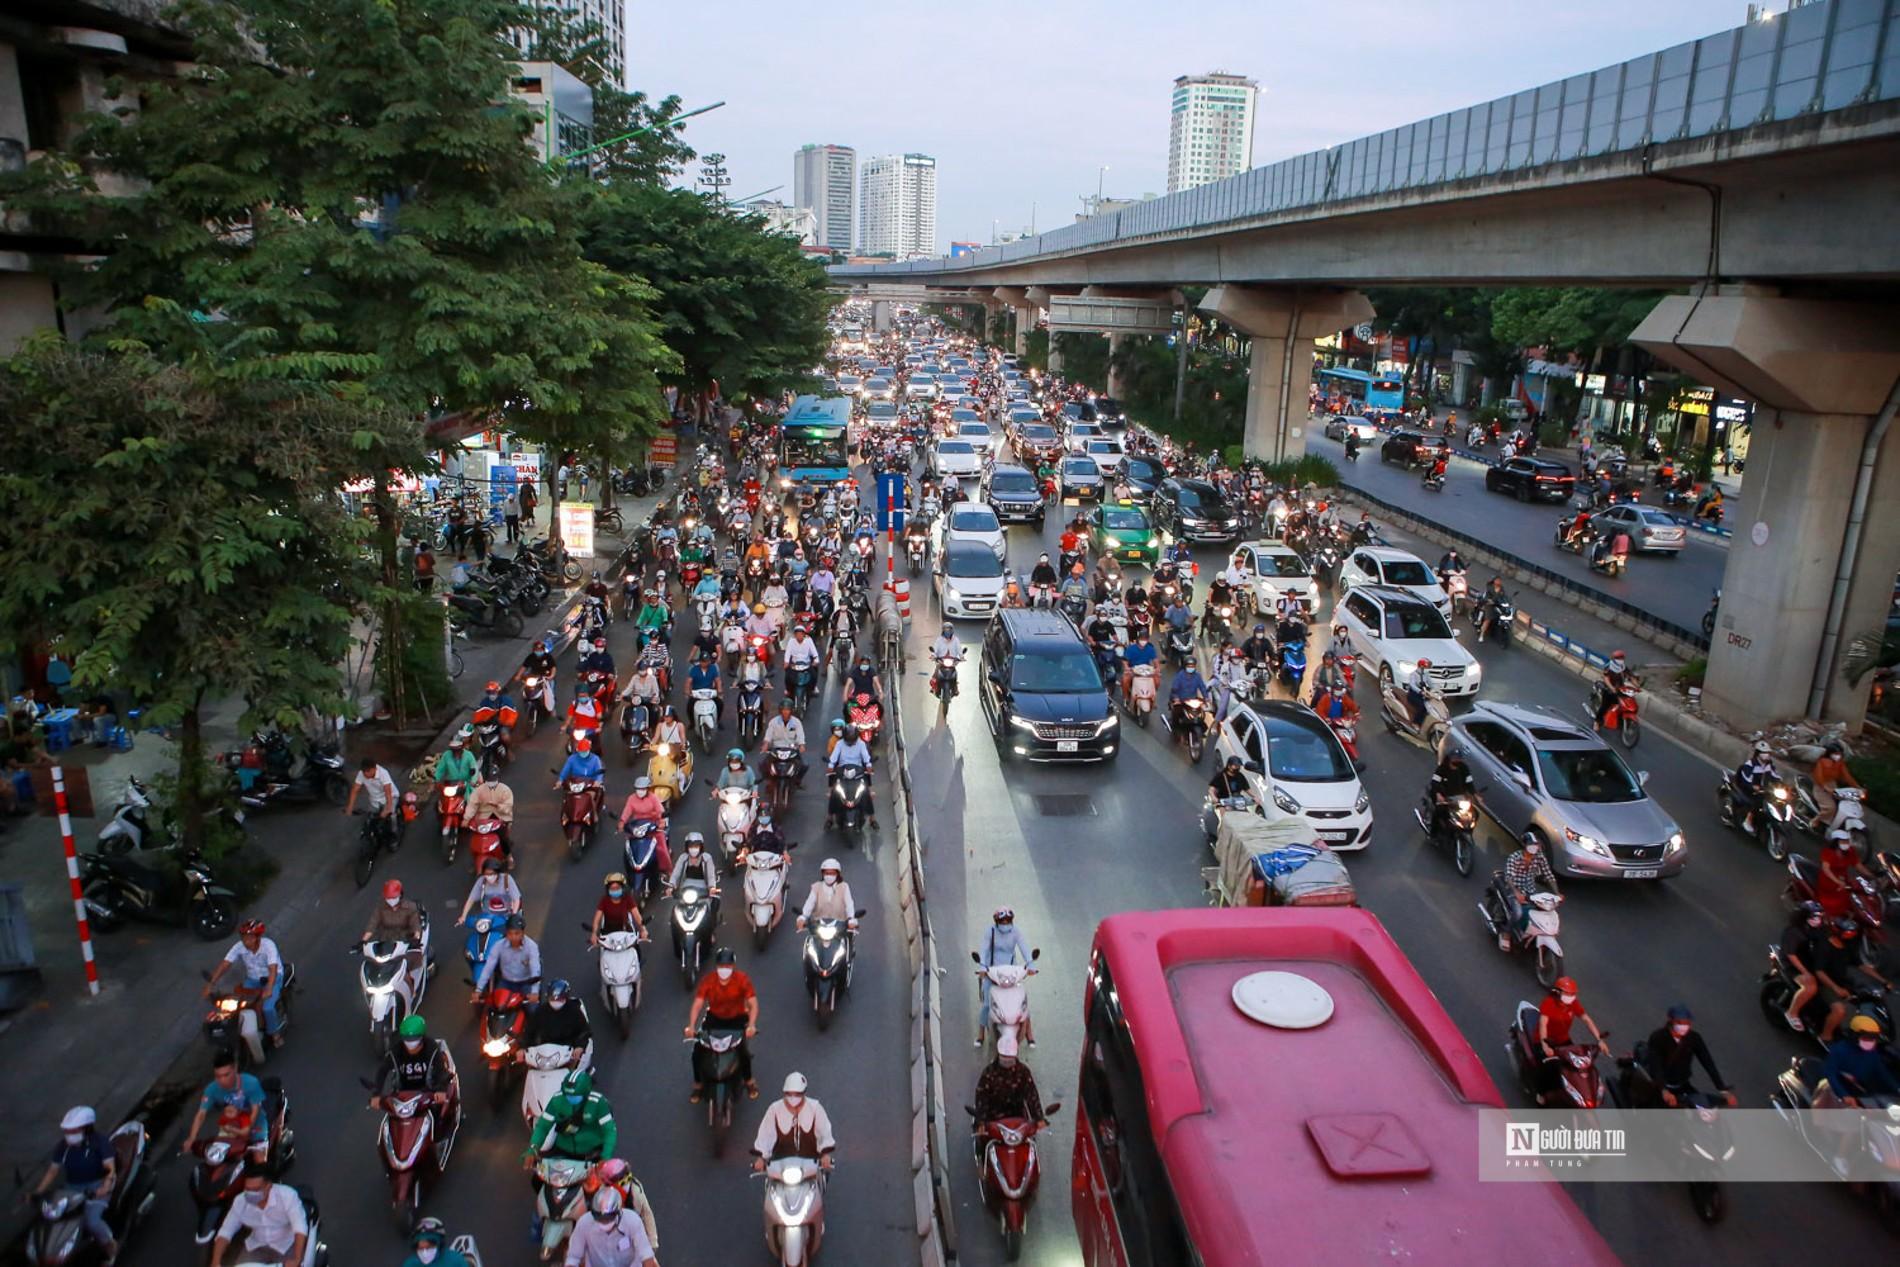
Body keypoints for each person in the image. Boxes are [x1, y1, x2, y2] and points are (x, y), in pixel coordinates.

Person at [29, 1105, 119, 1262]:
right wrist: (37, 1192)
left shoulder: (100, 1142)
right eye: (67, 1132)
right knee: (53, 1218)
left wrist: (105, 1187)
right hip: (70, 1189)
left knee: (92, 1222)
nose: (69, 1135)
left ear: (87, 1129)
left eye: (73, 1131)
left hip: (95, 1187)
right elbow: (52, 1171)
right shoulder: (63, 1147)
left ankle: (110, 1246)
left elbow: (110, 1169)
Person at [685, 948, 760, 1102]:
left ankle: (749, 1081)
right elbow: (698, 1005)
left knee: (743, 1052)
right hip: (714, 1018)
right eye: (721, 966)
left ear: (733, 967)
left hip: (737, 1018)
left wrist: (751, 1025)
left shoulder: (742, 980)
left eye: (728, 966)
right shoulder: (708, 981)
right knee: (697, 1052)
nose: (724, 969)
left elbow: (753, 1004)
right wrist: (691, 1027)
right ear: (716, 967)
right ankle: (698, 1084)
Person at [1810, 917, 1892, 1041]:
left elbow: (1861, 965)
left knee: (1868, 998)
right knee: (1840, 1010)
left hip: (1842, 981)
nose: (1850, 936)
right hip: (1825, 984)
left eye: (1852, 933)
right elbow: (1819, 972)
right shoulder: (1825, 946)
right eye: (1848, 933)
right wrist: (1836, 988)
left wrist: (1882, 981)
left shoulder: (1848, 945)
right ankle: (1825, 1036)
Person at [205, 920, 287, 1046]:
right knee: (240, 1004)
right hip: (252, 980)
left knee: (267, 1008)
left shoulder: (269, 945)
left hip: (272, 978)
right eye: (243, 938)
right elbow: (225, 964)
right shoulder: (239, 947)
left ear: (258, 937)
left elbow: (273, 968)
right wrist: (211, 984)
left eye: (249, 938)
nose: (246, 941)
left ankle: (274, 1034)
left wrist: (269, 987)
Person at [184, 1048, 272, 1164]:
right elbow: (201, 1114)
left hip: (255, 1124)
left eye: (226, 1075)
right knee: (216, 1159)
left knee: (260, 1161)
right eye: (218, 1076)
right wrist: (192, 1137)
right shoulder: (211, 1089)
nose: (222, 1080)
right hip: (231, 1126)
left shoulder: (251, 1083)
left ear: (235, 1069)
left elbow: (255, 1109)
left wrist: (246, 1130)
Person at [1639, 1005, 1736, 1108]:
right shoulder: (1658, 1037)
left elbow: (1708, 1063)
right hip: (1660, 1085)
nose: (1683, 1026)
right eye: (1679, 1022)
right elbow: (1656, 1066)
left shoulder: (1694, 1038)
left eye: (1687, 1023)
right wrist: (1663, 1090)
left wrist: (1722, 1090)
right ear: (1670, 1020)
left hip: (1682, 1084)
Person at [1531, 976, 1606, 1103]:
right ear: (1558, 992)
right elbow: (1543, 1024)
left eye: (1572, 994)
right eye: (1567, 993)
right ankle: (1541, 1093)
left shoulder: (1573, 1004)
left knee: (1576, 1064)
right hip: (1545, 1041)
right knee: (1549, 1066)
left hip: (1563, 1040)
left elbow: (1586, 1019)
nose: (1570, 996)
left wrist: (1599, 1040)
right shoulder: (1549, 1003)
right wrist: (1545, 1046)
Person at [209, 1171, 307, 1267]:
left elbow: (299, 1227)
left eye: (256, 1190)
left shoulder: (287, 1196)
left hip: (286, 1246)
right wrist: (215, 1262)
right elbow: (226, 1232)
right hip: (256, 1246)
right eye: (248, 1189)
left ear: (268, 1187)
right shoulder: (240, 1201)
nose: (251, 1193)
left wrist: (297, 1259)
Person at [375, 1014, 456, 1124]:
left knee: (441, 1118)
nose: (410, 1043)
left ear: (422, 1037)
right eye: (407, 1039)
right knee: (391, 1121)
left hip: (427, 1094)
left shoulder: (431, 1048)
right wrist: (376, 1094)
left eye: (414, 1039)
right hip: (402, 1097)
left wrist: (440, 1090)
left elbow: (441, 1070)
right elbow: (383, 1070)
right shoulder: (396, 1051)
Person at [526, 1069, 617, 1166]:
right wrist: (532, 1150)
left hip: (592, 1153)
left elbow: (610, 1131)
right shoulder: (557, 1100)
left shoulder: (598, 1102)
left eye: (575, 1096)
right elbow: (542, 1127)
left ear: (586, 1092)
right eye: (567, 1095)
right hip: (564, 1152)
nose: (570, 1098)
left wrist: (606, 1157)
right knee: (537, 1181)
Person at [750, 1072, 836, 1173]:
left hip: (811, 1164)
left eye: (797, 1094)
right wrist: (761, 1158)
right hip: (780, 1166)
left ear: (804, 1093)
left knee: (820, 1180)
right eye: (789, 1094)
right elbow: (765, 1134)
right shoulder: (774, 1110)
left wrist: (825, 1155)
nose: (792, 1098)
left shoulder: (815, 1109)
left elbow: (824, 1132)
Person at [976, 908, 1033, 1047]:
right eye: (1002, 921)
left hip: (1011, 972)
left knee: (1022, 1003)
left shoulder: (1016, 932)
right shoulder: (990, 932)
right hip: (993, 971)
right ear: (997, 922)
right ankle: (981, 1035)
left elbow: (1024, 948)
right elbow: (983, 949)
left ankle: (1030, 1034)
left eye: (1008, 921)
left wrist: (1030, 964)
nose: (1005, 923)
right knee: (987, 1005)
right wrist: (983, 967)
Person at [564, 1186, 660, 1267]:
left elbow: (646, 1255)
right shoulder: (584, 1223)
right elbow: (573, 1257)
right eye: (599, 1218)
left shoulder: (632, 1221)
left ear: (619, 1212)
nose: (604, 1222)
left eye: (608, 1218)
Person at [973, 1033, 1046, 1127]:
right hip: (993, 1121)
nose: (1007, 1060)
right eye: (1004, 1056)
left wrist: (1039, 1118)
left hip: (1019, 1120)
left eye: (1009, 1057)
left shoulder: (1023, 1072)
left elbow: (1031, 1095)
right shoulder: (988, 1073)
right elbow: (981, 1097)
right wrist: (981, 1121)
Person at [1500, 831, 1558, 947]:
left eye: (1536, 845)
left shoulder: (1539, 857)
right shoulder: (1514, 857)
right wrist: (1516, 893)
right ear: (1525, 845)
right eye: (1532, 845)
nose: (1535, 848)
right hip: (1513, 890)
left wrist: (1557, 893)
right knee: (1518, 913)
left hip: (1531, 891)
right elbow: (1509, 877)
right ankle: (1506, 933)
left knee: (1543, 911)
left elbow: (1549, 875)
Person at [520, 978, 595, 1068]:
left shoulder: (574, 1011)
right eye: (552, 999)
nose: (556, 1002)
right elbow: (529, 1031)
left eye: (559, 999)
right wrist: (523, 1048)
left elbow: (584, 1031)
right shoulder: (541, 1011)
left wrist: (579, 1046)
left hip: (569, 1051)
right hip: (545, 1052)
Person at [1779, 900, 1826, 1031]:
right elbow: (1791, 955)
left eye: (1819, 917)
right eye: (1814, 917)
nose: (1818, 920)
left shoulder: (1815, 930)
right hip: (1793, 965)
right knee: (1810, 987)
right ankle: (1792, 1013)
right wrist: (1805, 972)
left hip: (1808, 962)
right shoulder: (1794, 932)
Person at [471, 914, 541, 1002]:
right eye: (510, 933)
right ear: (506, 933)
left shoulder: (531, 946)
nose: (513, 937)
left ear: (522, 933)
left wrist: (535, 992)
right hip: (506, 983)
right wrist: (479, 989)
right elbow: (488, 968)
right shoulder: (499, 946)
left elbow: (535, 969)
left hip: (525, 983)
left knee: (532, 1009)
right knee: (494, 1006)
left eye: (517, 933)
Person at [1809, 740, 1866, 834]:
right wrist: (1826, 788)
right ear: (1830, 754)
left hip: (1833, 786)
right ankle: (1816, 820)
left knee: (1843, 805)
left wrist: (1858, 787)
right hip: (1821, 787)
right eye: (1836, 753)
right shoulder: (1821, 762)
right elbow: (1818, 778)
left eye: (1839, 754)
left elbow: (1847, 776)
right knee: (1830, 807)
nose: (1838, 756)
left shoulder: (1840, 763)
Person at [825, 724, 877, 828]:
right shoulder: (839, 744)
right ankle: (829, 818)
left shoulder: (861, 744)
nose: (850, 742)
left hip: (857, 772)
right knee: (835, 793)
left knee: (866, 793)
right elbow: (834, 757)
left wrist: (868, 765)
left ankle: (872, 818)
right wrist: (830, 766)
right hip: (842, 771)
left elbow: (866, 757)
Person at [344, 755, 399, 848]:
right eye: (364, 771)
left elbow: (388, 793)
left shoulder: (383, 774)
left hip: (390, 798)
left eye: (367, 771)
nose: (365, 774)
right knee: (370, 820)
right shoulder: (362, 774)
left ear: (374, 769)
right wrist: (350, 807)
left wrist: (387, 809)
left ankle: (394, 837)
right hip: (375, 801)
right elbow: (355, 790)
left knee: (391, 818)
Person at [796, 857, 859, 935]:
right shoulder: (816, 887)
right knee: (809, 943)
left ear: (837, 874)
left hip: (840, 927)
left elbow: (849, 904)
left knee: (847, 940)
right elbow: (810, 903)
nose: (829, 876)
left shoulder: (844, 887)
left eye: (832, 873)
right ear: (823, 874)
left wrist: (851, 919)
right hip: (819, 927)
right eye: (827, 873)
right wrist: (803, 917)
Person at [1732, 740, 1778, 835]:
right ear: (1758, 753)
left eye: (1768, 753)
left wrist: (1783, 785)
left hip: (1762, 789)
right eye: (1764, 752)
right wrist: (1753, 787)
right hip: (1748, 789)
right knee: (1759, 801)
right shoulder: (1750, 765)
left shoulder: (1768, 764)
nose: (1767, 755)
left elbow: (1775, 776)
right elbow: (1746, 780)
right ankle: (1748, 820)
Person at [1427, 752, 1475, 840]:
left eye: (1459, 758)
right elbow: (1434, 782)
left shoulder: (1464, 769)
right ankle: (1432, 834)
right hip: (1443, 797)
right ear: (1450, 759)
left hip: (1458, 799)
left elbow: (1469, 783)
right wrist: (1438, 794)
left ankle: (1467, 832)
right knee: (1439, 811)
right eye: (1455, 758)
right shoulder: (1442, 768)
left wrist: (1474, 794)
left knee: (1474, 814)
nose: (1457, 760)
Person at [761, 699, 808, 785]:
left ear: (791, 711)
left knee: (804, 765)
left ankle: (797, 781)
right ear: (780, 710)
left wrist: (801, 745)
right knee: (763, 764)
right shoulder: (773, 722)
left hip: (791, 749)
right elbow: (769, 734)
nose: (785, 712)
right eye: (784, 710)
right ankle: (769, 780)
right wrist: (766, 744)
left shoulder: (796, 722)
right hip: (776, 748)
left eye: (788, 710)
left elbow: (800, 735)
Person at [403, 1217, 472, 1267]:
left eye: (429, 1247)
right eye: (421, 1248)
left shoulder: (456, 1262)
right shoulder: (410, 1264)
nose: (425, 1252)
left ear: (439, 1245)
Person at [1120, 626, 1159, 700]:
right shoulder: (1131, 648)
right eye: (1141, 639)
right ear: (1138, 639)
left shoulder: (1150, 649)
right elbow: (1125, 660)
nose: (1143, 641)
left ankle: (1152, 696)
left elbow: (1155, 660)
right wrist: (1126, 667)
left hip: (1146, 670)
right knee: (1125, 680)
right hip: (1133, 670)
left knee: (1157, 680)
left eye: (1145, 639)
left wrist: (1157, 668)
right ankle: (1126, 697)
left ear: (1147, 640)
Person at [686, 651, 722, 726]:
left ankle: (717, 721)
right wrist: (687, 691)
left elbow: (717, 680)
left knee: (720, 704)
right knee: (689, 707)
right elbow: (689, 681)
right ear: (700, 661)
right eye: (703, 661)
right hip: (697, 692)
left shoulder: (713, 668)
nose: (705, 663)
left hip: (710, 691)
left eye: (707, 661)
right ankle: (692, 723)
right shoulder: (694, 669)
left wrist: (719, 690)